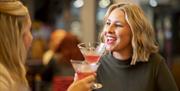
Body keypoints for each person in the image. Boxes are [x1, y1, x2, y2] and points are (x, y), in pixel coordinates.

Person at [0, 0, 94, 91]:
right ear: (13, 36)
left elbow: (43, 76)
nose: (31, 37)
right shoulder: (3, 81)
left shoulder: (54, 58)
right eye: (28, 30)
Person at [95, 1, 179, 91]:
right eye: (108, 23)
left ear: (135, 32)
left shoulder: (155, 63)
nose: (108, 30)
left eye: (118, 25)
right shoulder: (95, 64)